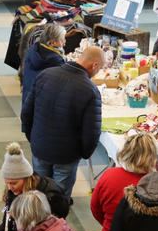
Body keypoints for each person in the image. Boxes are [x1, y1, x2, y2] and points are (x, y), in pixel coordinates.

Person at [21, 46, 104, 197]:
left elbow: (26, 112)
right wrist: (84, 153)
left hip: (40, 146)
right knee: (58, 198)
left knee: (38, 193)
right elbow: (91, 132)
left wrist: (32, 138)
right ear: (95, 65)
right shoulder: (90, 90)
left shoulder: (45, 75)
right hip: (67, 154)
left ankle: (38, 218)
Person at [0, 142, 71, 231]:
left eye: (13, 183)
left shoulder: (46, 199)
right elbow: (9, 221)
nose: (10, 187)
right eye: (7, 183)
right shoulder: (14, 193)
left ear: (27, 179)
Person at [21, 23, 65, 109]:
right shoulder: (56, 61)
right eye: (62, 40)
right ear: (52, 42)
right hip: (43, 104)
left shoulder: (33, 49)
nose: (64, 43)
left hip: (28, 97)